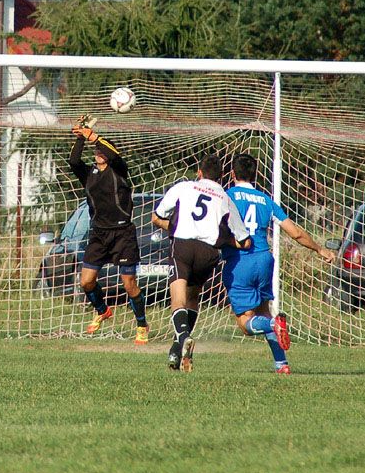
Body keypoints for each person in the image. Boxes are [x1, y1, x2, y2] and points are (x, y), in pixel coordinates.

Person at [222, 153, 336, 374]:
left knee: (246, 323)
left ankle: (274, 325)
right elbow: (295, 233)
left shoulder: (227, 197)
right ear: (255, 174)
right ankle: (281, 363)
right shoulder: (266, 200)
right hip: (264, 260)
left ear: (233, 174)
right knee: (263, 311)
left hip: (240, 261)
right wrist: (320, 249)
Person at [152, 154, 251, 372]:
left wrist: (176, 227)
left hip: (184, 247)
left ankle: (183, 339)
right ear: (221, 177)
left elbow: (157, 217)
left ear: (199, 172)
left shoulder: (184, 187)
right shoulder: (225, 198)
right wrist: (230, 241)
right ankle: (178, 350)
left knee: (178, 299)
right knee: (193, 297)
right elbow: (244, 240)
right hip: (208, 252)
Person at [68, 116, 149, 344]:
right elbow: (74, 161)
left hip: (123, 234)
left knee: (129, 284)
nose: (99, 153)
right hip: (99, 234)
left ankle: (142, 325)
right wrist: (81, 137)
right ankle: (103, 310)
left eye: (101, 150)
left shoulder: (119, 170)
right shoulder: (89, 174)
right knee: (86, 282)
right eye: (97, 151)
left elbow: (113, 154)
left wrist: (94, 136)